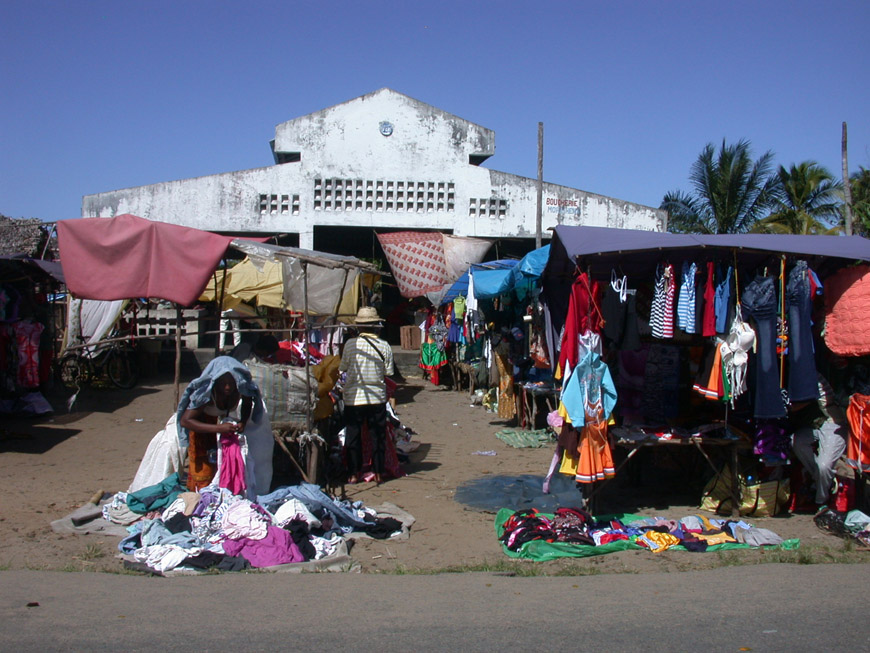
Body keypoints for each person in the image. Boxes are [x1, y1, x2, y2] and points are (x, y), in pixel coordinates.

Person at [339, 306, 395, 484]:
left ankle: (353, 473)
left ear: (359, 327)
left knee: (353, 436)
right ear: (376, 326)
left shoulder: (350, 344)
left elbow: (343, 368)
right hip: (376, 397)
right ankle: (378, 472)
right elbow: (388, 371)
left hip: (354, 398)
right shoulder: (384, 346)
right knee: (377, 436)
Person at [789, 373, 848, 510]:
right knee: (796, 441)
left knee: (823, 465)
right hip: (817, 425)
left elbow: (805, 401)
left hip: (835, 423)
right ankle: (822, 480)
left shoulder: (810, 375)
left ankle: (821, 500)